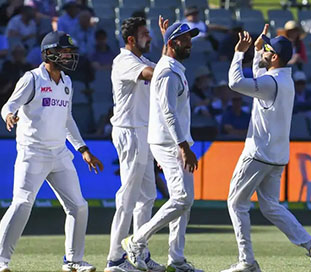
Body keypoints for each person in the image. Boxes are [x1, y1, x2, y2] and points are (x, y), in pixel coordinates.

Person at [221, 24, 311, 272]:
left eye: (267, 51)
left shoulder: (271, 83)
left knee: (236, 204)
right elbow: (260, 77)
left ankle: (247, 262)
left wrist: (240, 53)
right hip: (277, 156)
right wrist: (259, 50)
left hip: (257, 153)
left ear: (276, 57)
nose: (263, 54)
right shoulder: (284, 79)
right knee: (270, 205)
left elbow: (235, 83)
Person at [0, 30, 104, 272]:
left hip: (59, 154)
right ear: (49, 53)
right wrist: (9, 116)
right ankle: (1, 260)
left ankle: (73, 261)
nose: (68, 56)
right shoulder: (32, 79)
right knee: (22, 203)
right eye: (64, 52)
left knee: (79, 206)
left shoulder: (67, 83)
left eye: (70, 52)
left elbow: (68, 120)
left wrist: (83, 149)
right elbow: (8, 105)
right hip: (32, 153)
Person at [121, 22, 204, 272]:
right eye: (184, 39)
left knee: (185, 202)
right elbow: (168, 112)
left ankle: (176, 260)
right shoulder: (167, 72)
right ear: (171, 44)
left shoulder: (172, 67)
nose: (189, 43)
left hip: (174, 142)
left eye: (190, 38)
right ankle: (136, 240)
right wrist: (182, 146)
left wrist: (183, 144)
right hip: (170, 143)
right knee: (181, 198)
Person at [105, 16, 168, 272]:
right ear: (131, 39)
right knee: (127, 197)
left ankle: (138, 253)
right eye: (145, 34)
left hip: (143, 132)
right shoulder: (124, 61)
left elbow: (163, 70)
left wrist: (167, 44)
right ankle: (114, 258)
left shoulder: (142, 59)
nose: (149, 37)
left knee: (147, 197)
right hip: (129, 132)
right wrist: (168, 46)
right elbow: (156, 74)